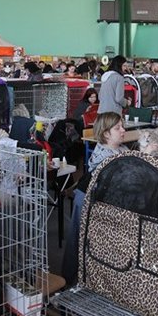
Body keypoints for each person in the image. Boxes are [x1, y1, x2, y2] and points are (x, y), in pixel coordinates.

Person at [62, 112, 128, 285]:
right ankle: (67, 281)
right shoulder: (105, 157)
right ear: (106, 134)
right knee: (78, 238)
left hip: (102, 201)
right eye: (118, 128)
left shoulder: (121, 149)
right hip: (86, 198)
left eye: (122, 126)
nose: (123, 130)